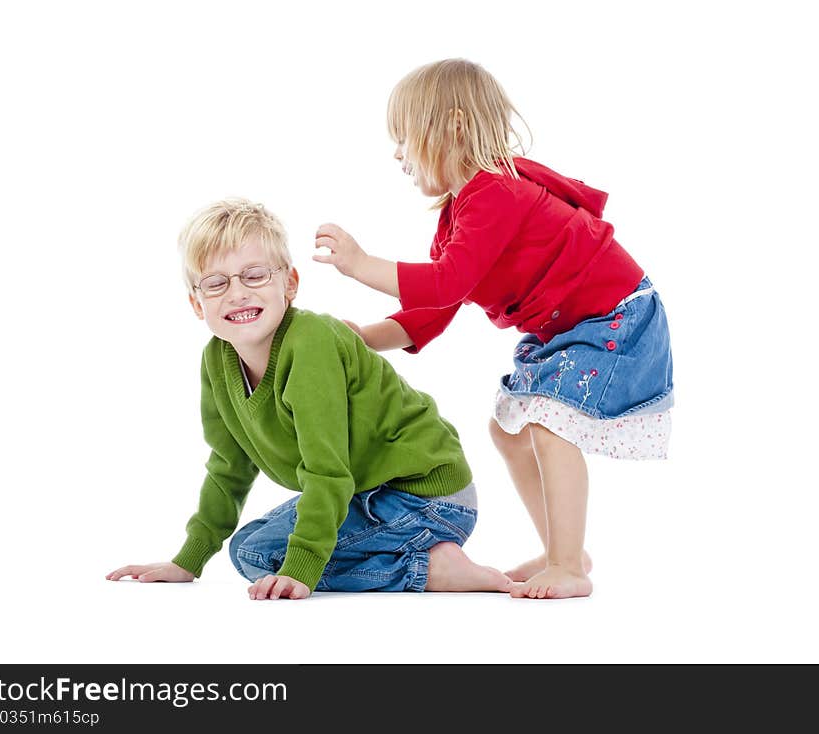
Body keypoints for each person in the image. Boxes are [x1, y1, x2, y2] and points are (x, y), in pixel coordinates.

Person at [313, 58, 673, 600]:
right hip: (572, 326)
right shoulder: (460, 213)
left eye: (404, 137)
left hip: (615, 316)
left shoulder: (495, 192)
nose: (397, 154)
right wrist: (364, 337)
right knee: (507, 431)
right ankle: (564, 551)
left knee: (552, 426)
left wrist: (361, 264)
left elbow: (443, 281)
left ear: (452, 126)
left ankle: (569, 565)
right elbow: (434, 307)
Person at [107, 198, 512, 599]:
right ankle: (416, 557)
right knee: (249, 547)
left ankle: (428, 568)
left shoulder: (311, 343)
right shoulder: (217, 359)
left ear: (290, 284)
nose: (237, 294)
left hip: (428, 494)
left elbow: (327, 471)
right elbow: (228, 467)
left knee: (263, 556)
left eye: (254, 275)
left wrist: (302, 569)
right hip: (365, 490)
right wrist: (188, 560)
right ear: (198, 303)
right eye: (216, 283)